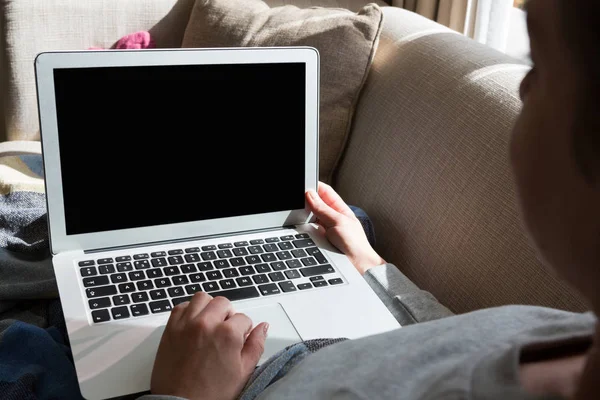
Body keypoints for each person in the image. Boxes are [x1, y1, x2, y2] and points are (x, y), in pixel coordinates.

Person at [141, 0, 600, 399]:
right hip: (314, 334)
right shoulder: (558, 329)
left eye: (539, 64)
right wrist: (370, 263)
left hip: (222, 380)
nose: (522, 88)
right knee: (345, 222)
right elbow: (445, 335)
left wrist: (181, 397)